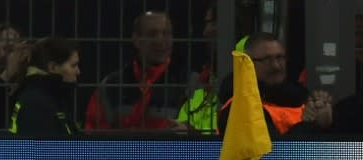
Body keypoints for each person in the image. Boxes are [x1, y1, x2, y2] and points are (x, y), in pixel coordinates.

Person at [83, 11, 190, 131]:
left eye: (166, 34)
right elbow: (93, 134)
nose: (160, 41)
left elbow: (208, 134)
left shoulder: (191, 84)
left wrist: (190, 134)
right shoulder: (110, 86)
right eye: (152, 34)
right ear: (136, 40)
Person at [218, 32, 326, 137]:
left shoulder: (299, 99)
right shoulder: (239, 109)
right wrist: (310, 125)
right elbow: (274, 153)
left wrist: (326, 119)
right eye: (266, 60)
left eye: (279, 58)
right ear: (248, 64)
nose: (276, 66)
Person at [8, 37, 80, 135]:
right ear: (52, 67)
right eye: (73, 65)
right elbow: (46, 149)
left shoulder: (51, 97)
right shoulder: (35, 103)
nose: (78, 72)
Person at [176, 2, 219, 134]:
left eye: (210, 23)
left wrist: (194, 135)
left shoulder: (245, 77)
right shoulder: (200, 78)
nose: (205, 32)